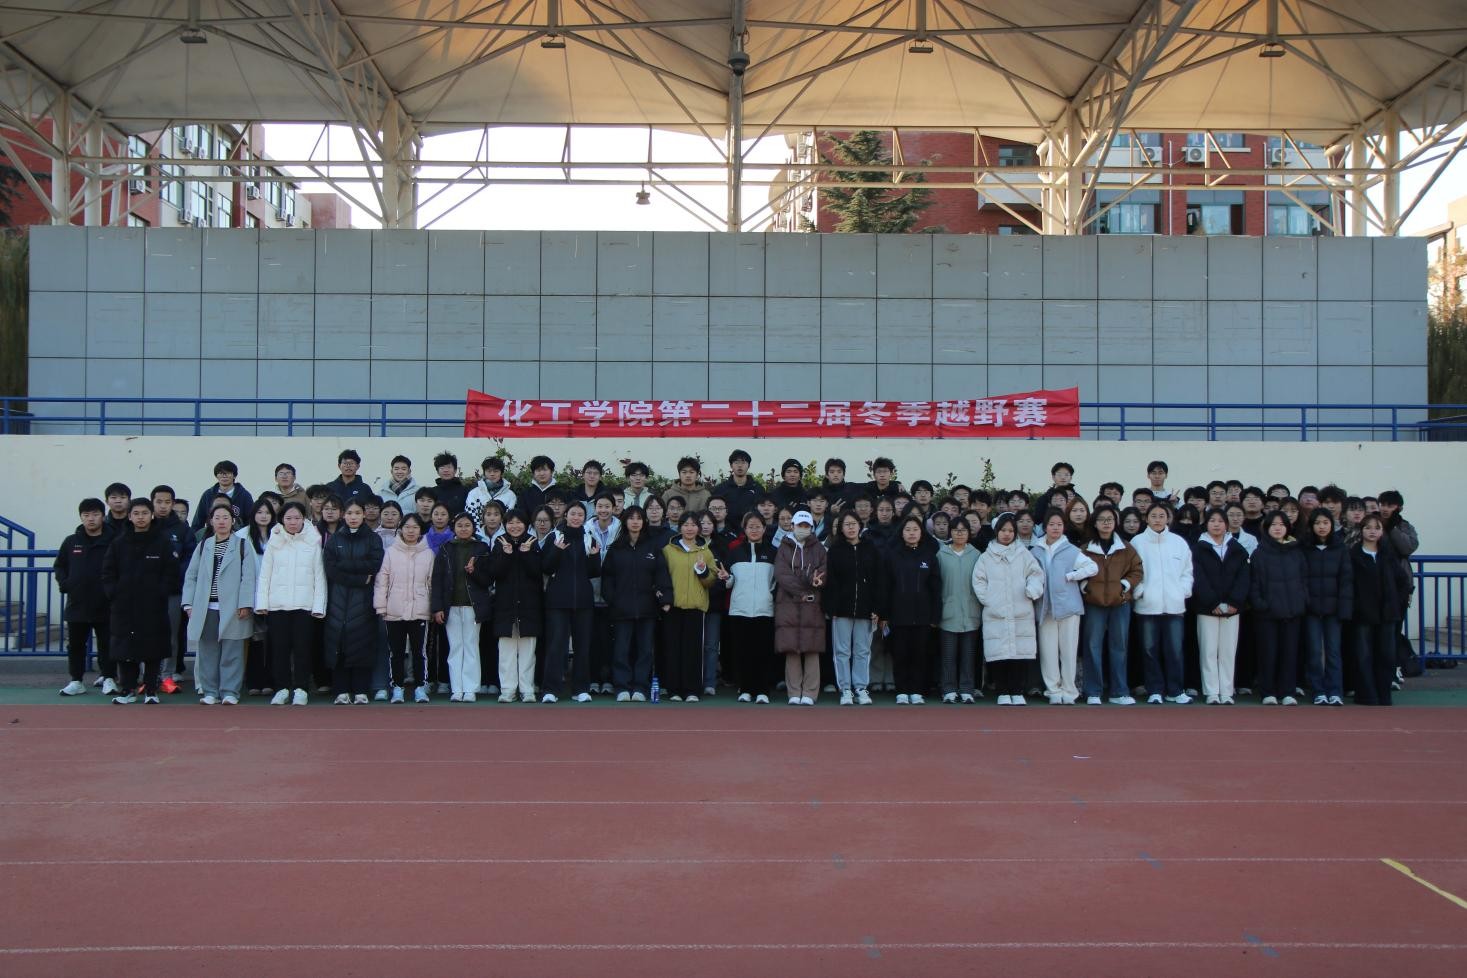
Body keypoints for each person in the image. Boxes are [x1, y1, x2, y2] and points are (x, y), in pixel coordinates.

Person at [102, 499, 180, 704]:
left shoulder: (162, 542)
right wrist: (114, 593)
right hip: (124, 607)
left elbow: (171, 572)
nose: (140, 517)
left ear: (151, 515)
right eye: (136, 513)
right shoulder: (119, 543)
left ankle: (151, 690)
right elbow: (108, 572)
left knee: (153, 649)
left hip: (153, 606)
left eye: (145, 513)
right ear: (130, 516)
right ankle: (127, 690)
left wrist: (161, 592)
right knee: (125, 650)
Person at [182, 503, 258, 705]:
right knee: (207, 651)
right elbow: (191, 576)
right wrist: (188, 604)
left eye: (226, 517)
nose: (221, 521)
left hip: (233, 607)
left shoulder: (242, 545)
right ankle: (210, 691)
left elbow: (248, 577)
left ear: (233, 521)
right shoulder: (203, 545)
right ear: (210, 521)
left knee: (232, 651)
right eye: (217, 518)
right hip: (206, 607)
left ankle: (230, 691)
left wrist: (245, 603)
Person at [256, 501, 327, 705]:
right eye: (288, 518)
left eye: (297, 518)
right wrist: (262, 604)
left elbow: (319, 576)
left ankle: (301, 688)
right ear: (282, 520)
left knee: (303, 649)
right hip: (277, 606)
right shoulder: (274, 541)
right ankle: (282, 688)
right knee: (279, 650)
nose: (293, 522)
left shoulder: (313, 541)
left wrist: (318, 606)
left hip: (304, 606)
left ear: (303, 519)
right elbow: (265, 575)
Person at [600, 506, 672, 702]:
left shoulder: (653, 547)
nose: (635, 522)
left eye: (639, 518)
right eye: (631, 518)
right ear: (625, 522)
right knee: (621, 650)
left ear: (643, 522)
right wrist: (613, 600)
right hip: (621, 610)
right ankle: (622, 687)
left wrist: (665, 598)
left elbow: (661, 574)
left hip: (647, 609)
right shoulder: (616, 548)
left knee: (645, 650)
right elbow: (607, 579)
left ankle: (641, 686)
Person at [973, 513, 1045, 706]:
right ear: (996, 532)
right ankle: (1003, 690)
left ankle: (1017, 690)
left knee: (1019, 654)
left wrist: (1032, 590)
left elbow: (1036, 575)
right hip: (995, 612)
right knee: (999, 654)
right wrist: (989, 599)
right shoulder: (986, 557)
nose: (1007, 534)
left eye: (1011, 531)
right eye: (1003, 530)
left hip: (1021, 610)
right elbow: (978, 581)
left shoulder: (1024, 554)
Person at [1028, 509, 1098, 705]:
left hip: (1069, 607)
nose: (1055, 528)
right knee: (1048, 652)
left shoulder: (1071, 550)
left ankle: (1069, 690)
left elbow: (1092, 567)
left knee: (1068, 651)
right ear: (1045, 527)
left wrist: (1071, 576)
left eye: (1059, 525)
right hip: (1045, 608)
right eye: (1052, 525)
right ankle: (1053, 690)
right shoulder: (1035, 550)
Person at [322, 499, 385, 704]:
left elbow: (374, 564)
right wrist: (358, 578)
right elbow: (331, 568)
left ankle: (361, 690)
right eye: (349, 513)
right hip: (337, 599)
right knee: (338, 643)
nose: (353, 517)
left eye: (357, 513)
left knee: (362, 643)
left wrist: (345, 566)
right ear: (344, 515)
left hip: (364, 600)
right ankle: (341, 690)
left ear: (364, 514)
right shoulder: (334, 540)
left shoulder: (373, 539)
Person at [1131, 503, 1194, 704]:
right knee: (1149, 650)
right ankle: (1154, 690)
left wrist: (1182, 591)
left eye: (1161, 516)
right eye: (1153, 516)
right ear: (1146, 519)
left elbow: (1187, 572)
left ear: (1168, 518)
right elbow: (1132, 572)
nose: (1157, 519)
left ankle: (1175, 690)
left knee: (1175, 650)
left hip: (1174, 606)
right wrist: (1141, 592)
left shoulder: (1178, 542)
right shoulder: (1137, 542)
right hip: (1147, 606)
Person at [426, 513, 493, 703]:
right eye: (460, 525)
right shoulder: (446, 548)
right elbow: (437, 580)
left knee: (471, 646)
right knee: (455, 647)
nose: (464, 529)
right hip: (451, 606)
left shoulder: (482, 548)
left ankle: (470, 689)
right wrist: (437, 607)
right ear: (454, 528)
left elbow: (488, 579)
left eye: (467, 525)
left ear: (474, 527)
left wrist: (474, 572)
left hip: (473, 606)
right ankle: (457, 688)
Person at [372, 513, 438, 704]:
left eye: (415, 527)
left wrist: (433, 608)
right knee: (396, 652)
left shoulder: (428, 553)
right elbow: (382, 581)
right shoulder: (390, 552)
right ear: (400, 529)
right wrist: (381, 606)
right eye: (407, 527)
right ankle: (397, 687)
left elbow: (432, 583)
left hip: (420, 609)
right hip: (394, 609)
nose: (411, 531)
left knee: (419, 652)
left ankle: (420, 687)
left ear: (420, 531)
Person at [1081, 507, 1143, 705]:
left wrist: (1124, 585)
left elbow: (1137, 570)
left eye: (1110, 519)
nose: (1106, 523)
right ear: (1095, 523)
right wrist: (1085, 587)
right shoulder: (1086, 549)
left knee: (1119, 646)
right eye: (1102, 519)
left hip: (1120, 603)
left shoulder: (1126, 548)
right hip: (1094, 603)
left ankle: (1119, 691)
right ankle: (1093, 691)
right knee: (1092, 646)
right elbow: (1076, 571)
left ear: (1116, 523)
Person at [541, 502, 602, 703]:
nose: (576, 517)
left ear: (584, 518)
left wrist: (595, 557)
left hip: (583, 602)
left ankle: (581, 689)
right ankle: (550, 689)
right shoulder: (554, 537)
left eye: (580, 514)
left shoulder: (589, 537)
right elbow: (546, 567)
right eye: (573, 514)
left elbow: (594, 572)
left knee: (582, 647)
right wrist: (557, 551)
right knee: (556, 646)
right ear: (566, 515)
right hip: (557, 601)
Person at [54, 498, 116, 695]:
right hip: (77, 603)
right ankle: (76, 680)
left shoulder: (114, 540)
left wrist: (113, 590)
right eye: (86, 515)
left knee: (107, 643)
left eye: (95, 514)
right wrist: (66, 584)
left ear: (103, 516)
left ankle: (109, 678)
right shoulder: (71, 541)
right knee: (76, 645)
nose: (91, 519)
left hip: (106, 603)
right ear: (81, 517)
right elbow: (60, 565)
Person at [1191, 508, 1251, 705]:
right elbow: (1198, 578)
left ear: (1226, 524)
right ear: (1206, 524)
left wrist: (1234, 602)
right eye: (1212, 520)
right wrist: (1212, 602)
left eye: (1220, 521)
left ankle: (1226, 691)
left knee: (1228, 651)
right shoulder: (1198, 549)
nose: (1216, 524)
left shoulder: (1238, 549)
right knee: (1208, 651)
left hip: (1232, 610)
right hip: (1207, 608)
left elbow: (1244, 578)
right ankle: (1211, 692)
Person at [1349, 513, 1411, 706]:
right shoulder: (1353, 555)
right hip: (1362, 614)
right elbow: (1347, 584)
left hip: (1387, 615)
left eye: (1377, 528)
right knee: (1363, 655)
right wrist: (1356, 605)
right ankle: (1367, 695)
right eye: (1368, 527)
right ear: (1361, 531)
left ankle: (1384, 695)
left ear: (1382, 532)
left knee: (1386, 655)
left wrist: (1395, 602)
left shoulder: (1388, 555)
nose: (1372, 531)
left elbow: (1403, 582)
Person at [1250, 511, 1308, 705]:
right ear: (1267, 528)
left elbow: (1304, 580)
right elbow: (1254, 583)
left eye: (1282, 524)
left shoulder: (1296, 551)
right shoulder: (1259, 553)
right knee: (1268, 653)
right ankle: (1268, 692)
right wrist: (1261, 604)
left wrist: (1301, 601)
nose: (1277, 528)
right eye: (1273, 524)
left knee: (1289, 653)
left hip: (1292, 612)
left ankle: (1288, 692)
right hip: (1267, 613)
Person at [487, 510, 543, 703]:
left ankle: (527, 690)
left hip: (529, 606)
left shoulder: (533, 543)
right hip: (505, 606)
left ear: (526, 525)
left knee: (528, 652)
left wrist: (526, 554)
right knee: (506, 652)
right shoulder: (500, 542)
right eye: (511, 522)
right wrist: (506, 554)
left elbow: (537, 573)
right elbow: (494, 573)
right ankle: (508, 690)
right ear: (505, 524)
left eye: (519, 522)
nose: (515, 526)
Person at [722, 511, 778, 704]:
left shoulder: (773, 552)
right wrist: (726, 578)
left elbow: (777, 581)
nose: (754, 530)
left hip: (765, 609)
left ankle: (763, 690)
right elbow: (729, 581)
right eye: (750, 526)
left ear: (764, 528)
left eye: (758, 526)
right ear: (744, 529)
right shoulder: (735, 552)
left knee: (763, 651)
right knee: (742, 651)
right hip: (740, 610)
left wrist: (770, 596)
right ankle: (745, 689)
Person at [823, 511, 878, 706]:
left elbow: (878, 581)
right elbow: (830, 582)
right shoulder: (834, 551)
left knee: (862, 651)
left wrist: (876, 607)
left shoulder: (870, 549)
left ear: (860, 525)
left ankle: (861, 688)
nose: (851, 527)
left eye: (854, 523)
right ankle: (845, 689)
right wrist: (831, 608)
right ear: (841, 528)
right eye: (846, 524)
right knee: (842, 651)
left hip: (865, 609)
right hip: (841, 610)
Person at [662, 513, 718, 701]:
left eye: (693, 525)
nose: (689, 528)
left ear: (698, 529)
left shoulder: (705, 552)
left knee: (693, 650)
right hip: (673, 606)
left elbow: (711, 580)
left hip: (695, 606)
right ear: (679, 527)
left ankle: (692, 690)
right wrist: (665, 600)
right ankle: (674, 690)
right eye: (686, 524)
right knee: (673, 649)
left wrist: (703, 570)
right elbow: (662, 577)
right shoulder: (668, 550)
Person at [774, 510, 827, 705]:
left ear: (811, 528)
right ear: (793, 526)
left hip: (812, 605)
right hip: (788, 603)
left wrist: (815, 581)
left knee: (812, 648)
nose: (803, 529)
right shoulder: (784, 547)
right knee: (792, 648)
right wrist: (803, 588)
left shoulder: (819, 548)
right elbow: (781, 574)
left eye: (806, 526)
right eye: (800, 525)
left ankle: (810, 693)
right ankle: (794, 692)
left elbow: (823, 572)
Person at [1302, 509, 1353, 706]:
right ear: (1311, 526)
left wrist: (1344, 608)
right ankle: (1318, 690)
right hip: (1311, 609)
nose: (1321, 527)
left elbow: (1346, 580)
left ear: (1332, 525)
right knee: (1314, 651)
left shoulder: (1340, 548)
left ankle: (1335, 690)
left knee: (1333, 651)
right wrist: (1306, 602)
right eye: (1317, 523)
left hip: (1334, 609)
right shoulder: (1305, 548)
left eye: (1325, 522)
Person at [150, 484, 195, 690]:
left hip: (173, 591)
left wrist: (172, 577)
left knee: (171, 634)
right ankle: (147, 675)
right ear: (152, 502)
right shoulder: (144, 525)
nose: (163, 506)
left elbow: (189, 560)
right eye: (159, 502)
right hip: (146, 592)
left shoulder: (182, 529)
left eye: (167, 502)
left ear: (172, 504)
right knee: (146, 633)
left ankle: (167, 675)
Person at [936, 517, 983, 704]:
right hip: (948, 612)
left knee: (968, 655)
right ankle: (948, 689)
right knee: (948, 655)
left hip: (971, 612)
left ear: (969, 533)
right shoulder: (941, 554)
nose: (960, 533)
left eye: (963, 530)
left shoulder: (976, 555)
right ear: (951, 532)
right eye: (956, 530)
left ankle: (966, 689)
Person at [238, 499, 274, 696]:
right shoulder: (242, 535)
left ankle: (270, 680)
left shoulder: (279, 533)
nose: (263, 516)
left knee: (273, 641)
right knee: (255, 640)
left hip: (274, 596)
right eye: (259, 512)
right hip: (251, 596)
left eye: (267, 512)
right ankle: (253, 681)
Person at [191, 460, 253, 533]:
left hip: (237, 535)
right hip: (211, 535)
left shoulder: (244, 495)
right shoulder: (208, 495)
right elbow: (198, 521)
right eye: (221, 473)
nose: (224, 476)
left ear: (234, 476)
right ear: (216, 476)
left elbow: (251, 520)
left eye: (228, 473)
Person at [466, 456, 517, 538]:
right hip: (478, 536)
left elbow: (509, 518)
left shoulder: (510, 495)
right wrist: (478, 535)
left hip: (503, 537)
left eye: (496, 471)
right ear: (484, 472)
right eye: (489, 471)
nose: (492, 474)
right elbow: (471, 515)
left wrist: (501, 535)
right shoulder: (474, 493)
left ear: (501, 473)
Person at [713, 449, 761, 521]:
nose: (740, 465)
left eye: (743, 462)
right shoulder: (720, 489)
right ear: (731, 466)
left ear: (748, 465)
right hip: (727, 526)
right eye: (736, 462)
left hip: (751, 526)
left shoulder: (757, 488)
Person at [431, 452, 469, 517]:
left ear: (455, 470)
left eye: (449, 467)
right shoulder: (432, 492)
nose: (446, 470)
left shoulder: (465, 491)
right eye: (442, 468)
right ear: (437, 471)